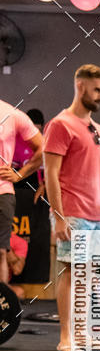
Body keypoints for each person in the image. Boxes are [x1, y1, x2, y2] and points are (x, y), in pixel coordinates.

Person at [44, 63, 100, 351]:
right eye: (97, 90)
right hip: (73, 212)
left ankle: (83, 333)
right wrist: (59, 217)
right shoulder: (60, 124)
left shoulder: (99, 129)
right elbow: (51, 173)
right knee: (72, 272)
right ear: (81, 87)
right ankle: (66, 336)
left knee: (92, 276)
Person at [0, 99, 43, 284]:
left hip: (2, 192)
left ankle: (1, 309)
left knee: (0, 252)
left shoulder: (11, 113)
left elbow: (44, 148)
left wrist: (19, 175)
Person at [6, 233, 28, 298]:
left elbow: (17, 270)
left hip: (2, 284)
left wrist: (5, 246)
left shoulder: (19, 242)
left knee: (19, 293)